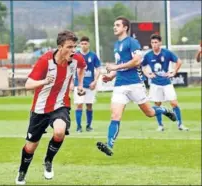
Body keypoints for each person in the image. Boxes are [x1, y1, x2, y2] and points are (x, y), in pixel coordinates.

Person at [96, 16, 177, 156]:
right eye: (114, 25)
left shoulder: (132, 42)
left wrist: (115, 67)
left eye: (117, 25)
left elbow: (136, 61)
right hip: (120, 85)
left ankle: (164, 110)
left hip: (135, 83)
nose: (114, 27)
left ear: (125, 27)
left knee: (149, 113)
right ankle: (109, 145)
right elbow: (122, 65)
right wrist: (112, 75)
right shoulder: (116, 45)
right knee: (115, 115)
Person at [15, 30, 86, 185]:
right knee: (31, 146)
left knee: (60, 132)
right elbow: (28, 85)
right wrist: (44, 81)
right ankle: (22, 172)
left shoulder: (76, 59)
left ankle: (48, 161)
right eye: (69, 47)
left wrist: (79, 85)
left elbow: (83, 67)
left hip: (61, 105)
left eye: (74, 46)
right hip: (40, 109)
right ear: (60, 47)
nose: (73, 50)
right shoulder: (45, 61)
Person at [141, 34, 189, 131]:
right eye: (152, 43)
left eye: (156, 42)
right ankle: (160, 125)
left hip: (167, 82)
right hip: (155, 84)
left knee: (174, 103)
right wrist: (147, 74)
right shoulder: (148, 55)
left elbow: (179, 61)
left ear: (160, 43)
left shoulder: (166, 53)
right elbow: (142, 66)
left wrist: (174, 72)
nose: (154, 44)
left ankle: (180, 125)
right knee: (157, 104)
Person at [72, 36, 101, 132]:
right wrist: (72, 83)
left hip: (90, 85)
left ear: (88, 44)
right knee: (79, 104)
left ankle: (88, 126)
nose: (84, 45)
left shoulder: (93, 55)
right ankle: (79, 127)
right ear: (79, 44)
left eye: (85, 43)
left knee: (89, 105)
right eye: (82, 43)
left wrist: (95, 81)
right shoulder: (75, 55)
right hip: (79, 85)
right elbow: (71, 69)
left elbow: (98, 69)